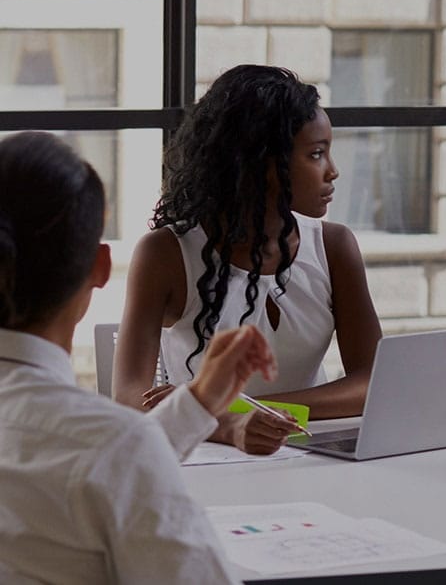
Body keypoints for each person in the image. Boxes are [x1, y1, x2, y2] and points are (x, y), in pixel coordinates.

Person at [0, 131, 275, 584]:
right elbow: (112, 461)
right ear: (100, 267)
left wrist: (197, 404)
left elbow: (105, 466)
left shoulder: (106, 447)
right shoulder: (110, 445)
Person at [113, 64, 382, 454]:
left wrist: (242, 409)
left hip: (311, 454)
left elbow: (373, 382)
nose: (333, 171)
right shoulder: (165, 254)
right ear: (261, 162)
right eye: (316, 154)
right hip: (206, 459)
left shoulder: (335, 246)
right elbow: (129, 400)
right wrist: (227, 426)